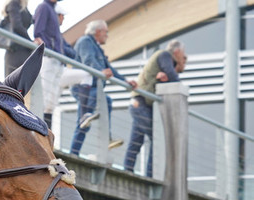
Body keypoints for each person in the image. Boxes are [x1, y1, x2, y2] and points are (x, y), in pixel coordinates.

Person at [69, 20, 137, 156]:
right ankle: (73, 153)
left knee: (106, 102)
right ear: (98, 31)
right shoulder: (85, 41)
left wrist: (125, 81)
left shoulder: (97, 47)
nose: (107, 35)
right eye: (106, 32)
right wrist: (101, 71)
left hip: (94, 89)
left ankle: (106, 139)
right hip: (84, 88)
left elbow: (109, 69)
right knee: (83, 121)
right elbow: (89, 60)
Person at [123, 39, 186, 177]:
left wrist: (166, 78)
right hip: (141, 104)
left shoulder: (163, 59)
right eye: (183, 53)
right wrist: (182, 88)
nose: (183, 57)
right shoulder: (164, 56)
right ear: (177, 51)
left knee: (136, 140)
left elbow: (166, 77)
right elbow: (171, 74)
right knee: (157, 137)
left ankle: (128, 170)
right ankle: (150, 175)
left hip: (140, 103)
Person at [32, 0, 64, 129]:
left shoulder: (53, 9)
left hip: (57, 59)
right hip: (49, 57)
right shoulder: (44, 7)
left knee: (52, 101)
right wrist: (47, 48)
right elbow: (38, 31)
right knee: (45, 97)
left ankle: (46, 131)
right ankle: (39, 129)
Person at [2, 0, 34, 76]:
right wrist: (31, 42)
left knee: (25, 84)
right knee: (15, 84)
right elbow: (17, 26)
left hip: (24, 50)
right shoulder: (14, 3)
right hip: (15, 51)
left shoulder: (23, 6)